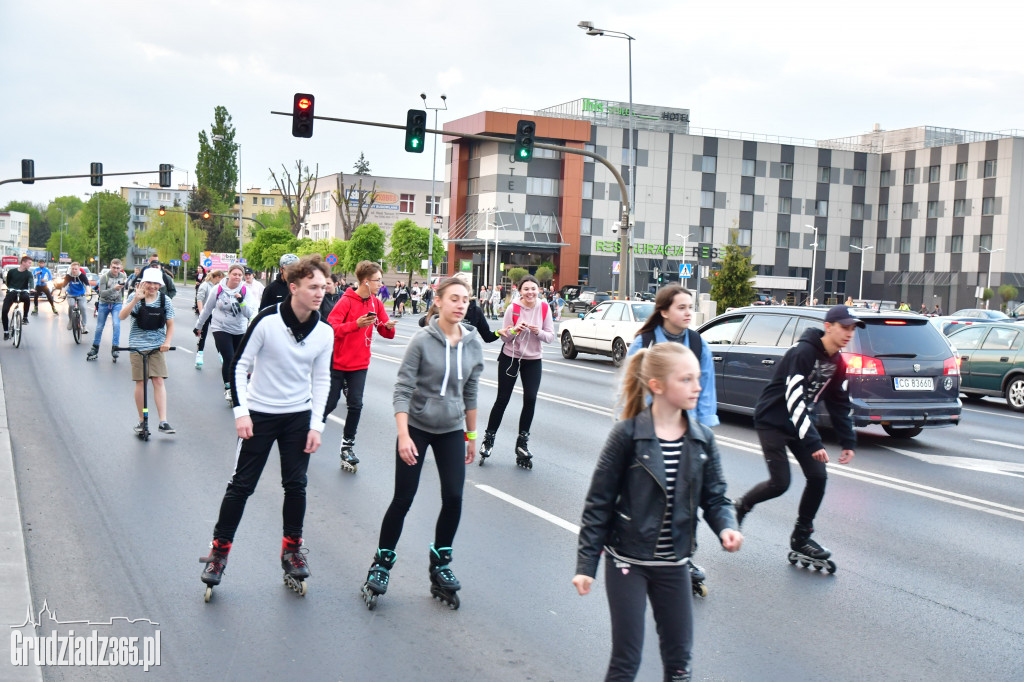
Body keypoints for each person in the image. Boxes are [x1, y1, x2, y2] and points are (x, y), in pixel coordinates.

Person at [573, 343, 742, 681]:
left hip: (674, 565)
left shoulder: (701, 439)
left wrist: (726, 526)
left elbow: (717, 497)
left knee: (680, 664)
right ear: (658, 386)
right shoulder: (627, 436)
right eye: (687, 379)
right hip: (628, 562)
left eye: (698, 378)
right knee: (627, 659)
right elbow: (598, 503)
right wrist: (586, 566)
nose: (698, 387)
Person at [198, 255, 334, 598]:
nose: (320, 293)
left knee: (296, 485)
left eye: (323, 286)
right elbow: (238, 366)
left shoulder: (324, 332)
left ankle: (291, 550)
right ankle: (219, 551)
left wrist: (316, 424)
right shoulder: (266, 321)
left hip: (298, 416)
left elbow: (322, 381)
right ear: (294, 287)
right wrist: (241, 412)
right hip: (259, 412)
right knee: (241, 486)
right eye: (312, 286)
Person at [359, 278, 484, 610]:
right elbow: (401, 389)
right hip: (416, 426)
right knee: (404, 498)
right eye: (454, 299)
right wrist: (403, 435)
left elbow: (471, 392)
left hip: (452, 429)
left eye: (465, 300)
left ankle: (440, 564)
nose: (460, 304)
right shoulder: (421, 341)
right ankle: (381, 565)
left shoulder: (473, 344)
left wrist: (471, 436)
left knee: (454, 497)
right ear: (439, 302)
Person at [732, 304, 858, 564]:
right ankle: (742, 505)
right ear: (828, 327)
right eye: (844, 327)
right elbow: (794, 397)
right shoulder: (803, 352)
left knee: (818, 476)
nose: (849, 333)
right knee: (780, 483)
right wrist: (813, 441)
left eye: (852, 329)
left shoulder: (838, 362)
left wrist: (847, 440)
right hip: (773, 421)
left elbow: (839, 401)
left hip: (799, 423)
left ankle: (801, 537)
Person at [627, 285, 719, 590]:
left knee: (685, 498)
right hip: (648, 431)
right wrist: (629, 430)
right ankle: (640, 547)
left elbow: (705, 386)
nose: (688, 313)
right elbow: (630, 388)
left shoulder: (697, 342)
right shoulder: (646, 342)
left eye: (690, 307)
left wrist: (705, 429)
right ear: (664, 310)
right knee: (651, 494)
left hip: (685, 433)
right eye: (681, 307)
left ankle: (681, 555)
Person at [324, 261, 397, 472]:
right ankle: (308, 431)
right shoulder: (346, 301)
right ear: (366, 281)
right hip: (338, 362)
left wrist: (388, 327)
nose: (381, 284)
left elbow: (384, 330)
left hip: (359, 363)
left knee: (355, 404)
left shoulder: (376, 303)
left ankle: (347, 446)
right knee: (329, 404)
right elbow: (331, 326)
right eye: (378, 281)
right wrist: (355, 325)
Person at [478, 275, 555, 469]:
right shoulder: (513, 308)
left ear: (539, 290)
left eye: (533, 288)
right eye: (526, 289)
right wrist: (514, 331)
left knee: (530, 398)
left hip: (533, 360)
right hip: (510, 358)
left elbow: (551, 337)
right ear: (520, 291)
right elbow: (504, 338)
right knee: (502, 399)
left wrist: (538, 332)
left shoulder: (545, 308)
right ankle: (488, 439)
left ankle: (522, 443)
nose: (530, 292)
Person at [118, 267, 176, 434]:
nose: (152, 286)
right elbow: (122, 316)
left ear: (160, 285)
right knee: (141, 382)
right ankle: (142, 421)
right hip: (137, 345)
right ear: (143, 283)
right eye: (149, 282)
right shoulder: (134, 297)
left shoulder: (165, 301)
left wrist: (167, 342)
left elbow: (170, 325)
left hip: (157, 346)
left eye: (156, 283)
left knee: (158, 380)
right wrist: (135, 300)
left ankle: (163, 421)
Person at [195, 264, 256, 403]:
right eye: (234, 274)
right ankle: (228, 388)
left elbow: (250, 313)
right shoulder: (218, 289)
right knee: (229, 357)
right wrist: (198, 326)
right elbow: (207, 309)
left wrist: (241, 301)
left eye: (240, 275)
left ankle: (238, 387)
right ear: (228, 274)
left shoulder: (246, 290)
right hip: (220, 328)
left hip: (239, 329)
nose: (237, 277)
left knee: (238, 360)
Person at [88, 259, 127, 361]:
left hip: (116, 304)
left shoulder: (122, 276)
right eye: (114, 267)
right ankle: (95, 348)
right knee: (100, 326)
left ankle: (115, 347)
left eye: (118, 268)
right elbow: (102, 293)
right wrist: (114, 288)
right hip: (104, 303)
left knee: (116, 324)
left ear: (121, 268)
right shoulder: (104, 277)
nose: (115, 270)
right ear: (110, 266)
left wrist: (122, 301)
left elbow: (123, 291)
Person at [193, 270, 225, 369]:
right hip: (206, 313)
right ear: (218, 277)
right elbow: (200, 300)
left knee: (218, 336)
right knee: (203, 335)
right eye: (222, 278)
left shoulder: (219, 287)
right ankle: (199, 356)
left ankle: (222, 355)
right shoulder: (205, 285)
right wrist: (202, 314)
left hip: (215, 314)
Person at [53, 261, 90, 334]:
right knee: (71, 305)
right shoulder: (68, 276)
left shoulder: (82, 276)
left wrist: (88, 292)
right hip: (71, 295)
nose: (74, 270)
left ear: (79, 269)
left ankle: (84, 326)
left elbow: (87, 285)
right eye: (72, 269)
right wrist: (62, 293)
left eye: (76, 269)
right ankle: (70, 320)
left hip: (81, 295)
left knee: (83, 307)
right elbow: (64, 286)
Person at [2, 256, 35, 341]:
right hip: (12, 292)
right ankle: (6, 331)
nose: (30, 265)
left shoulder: (28, 273)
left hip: (22, 292)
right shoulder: (12, 272)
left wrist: (31, 288)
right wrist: (10, 288)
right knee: (4, 311)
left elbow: (31, 281)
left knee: (27, 298)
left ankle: (25, 317)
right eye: (29, 263)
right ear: (23, 262)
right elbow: (8, 282)